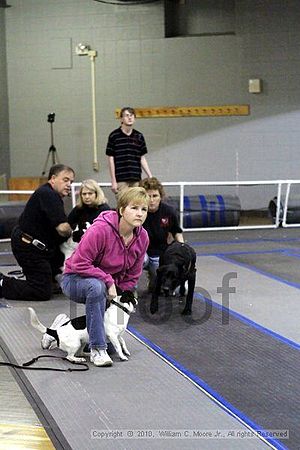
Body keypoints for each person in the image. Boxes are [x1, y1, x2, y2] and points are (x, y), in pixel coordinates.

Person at [60, 187, 150, 367]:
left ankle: (77, 336)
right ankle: (97, 349)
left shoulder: (143, 237)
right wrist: (109, 281)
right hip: (74, 279)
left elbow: (133, 275)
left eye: (144, 209)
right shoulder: (100, 230)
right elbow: (79, 263)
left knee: (111, 344)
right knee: (97, 287)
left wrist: (118, 297)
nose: (139, 213)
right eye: (134, 208)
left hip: (106, 286)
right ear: (122, 210)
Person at [0, 164, 74, 301]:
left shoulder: (52, 196)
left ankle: (50, 279)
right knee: (41, 291)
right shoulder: (48, 194)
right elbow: (63, 228)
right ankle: (3, 284)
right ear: (53, 179)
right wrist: (78, 232)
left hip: (40, 247)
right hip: (28, 247)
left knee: (53, 278)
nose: (69, 184)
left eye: (71, 181)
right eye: (65, 180)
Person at [139, 177, 184, 292]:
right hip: (140, 252)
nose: (151, 200)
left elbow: (177, 232)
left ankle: (153, 279)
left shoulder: (169, 211)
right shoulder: (137, 211)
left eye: (155, 196)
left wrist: (183, 252)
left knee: (157, 289)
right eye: (148, 196)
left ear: (160, 197)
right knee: (139, 260)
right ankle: (129, 290)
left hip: (159, 254)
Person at [106, 106, 152, 195]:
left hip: (136, 178)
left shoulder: (139, 136)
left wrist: (150, 175)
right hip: (121, 179)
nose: (130, 117)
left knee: (136, 203)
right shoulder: (114, 136)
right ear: (121, 119)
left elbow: (142, 157)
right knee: (123, 205)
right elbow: (110, 158)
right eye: (127, 115)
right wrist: (113, 181)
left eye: (132, 115)